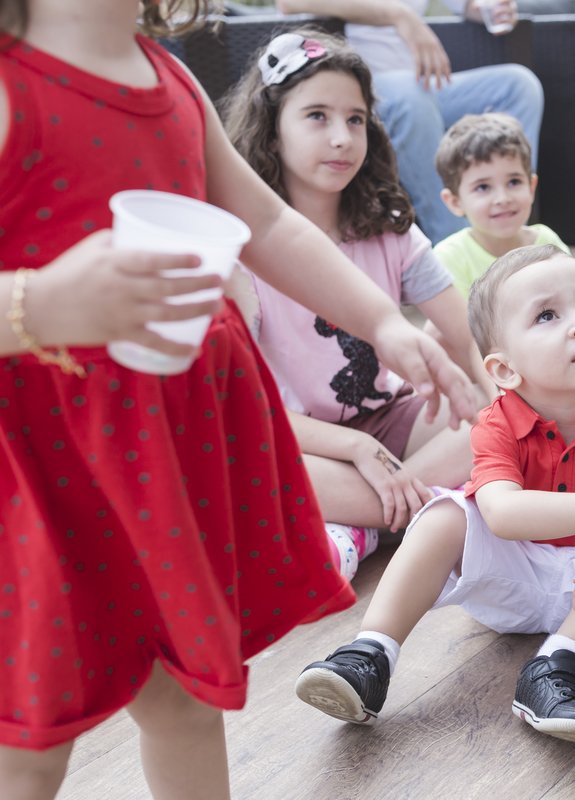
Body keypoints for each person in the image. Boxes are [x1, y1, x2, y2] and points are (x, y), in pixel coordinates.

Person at [0, 1, 477, 797]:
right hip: (45, 471)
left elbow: (265, 222)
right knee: (31, 739)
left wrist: (380, 322)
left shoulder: (169, 76)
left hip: (163, 461)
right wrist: (36, 306)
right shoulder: (13, 83)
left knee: (184, 698)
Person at [294, 245, 575, 745]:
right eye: (548, 315)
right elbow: (501, 514)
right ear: (504, 371)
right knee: (445, 514)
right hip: (509, 577)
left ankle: (558, 667)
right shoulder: (498, 422)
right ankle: (370, 654)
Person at [220, 30, 495, 580]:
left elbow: (470, 335)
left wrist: (505, 421)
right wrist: (353, 449)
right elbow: (246, 408)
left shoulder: (390, 231)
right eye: (317, 116)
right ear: (272, 132)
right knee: (241, 461)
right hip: (302, 441)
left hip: (395, 420)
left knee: (494, 422)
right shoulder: (240, 252)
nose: (342, 137)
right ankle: (411, 514)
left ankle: (364, 525)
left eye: (355, 119)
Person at [277, 0, 544, 246]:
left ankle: (509, 228)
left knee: (519, 86)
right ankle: (460, 245)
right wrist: (397, 14)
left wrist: (492, 8)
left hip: (422, 83)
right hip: (358, 85)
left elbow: (470, 5)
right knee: (411, 98)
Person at [433, 112, 568, 299]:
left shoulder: (547, 242)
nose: (503, 198)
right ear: (455, 202)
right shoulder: (450, 258)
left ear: (531, 188)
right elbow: (456, 328)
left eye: (513, 182)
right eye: (483, 187)